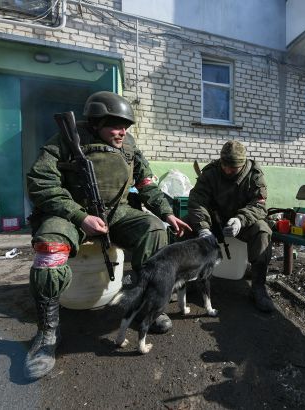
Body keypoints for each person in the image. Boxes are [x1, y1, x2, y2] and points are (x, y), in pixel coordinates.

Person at [24, 91, 191, 380]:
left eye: (126, 126)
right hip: (71, 212)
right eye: (115, 125)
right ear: (96, 122)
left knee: (153, 230)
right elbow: (41, 182)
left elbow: (147, 182)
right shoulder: (66, 139)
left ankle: (144, 306)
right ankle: (47, 333)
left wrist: (166, 213)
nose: (122, 131)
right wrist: (79, 216)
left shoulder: (129, 146)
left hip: (116, 212)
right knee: (49, 250)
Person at [187, 140, 275, 313]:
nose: (227, 170)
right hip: (213, 220)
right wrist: (203, 227)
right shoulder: (211, 173)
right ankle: (185, 281)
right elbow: (197, 201)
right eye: (224, 165)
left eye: (232, 168)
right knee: (186, 225)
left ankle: (258, 287)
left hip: (243, 222)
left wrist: (241, 220)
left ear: (242, 165)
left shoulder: (254, 175)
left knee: (263, 230)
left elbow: (259, 204)